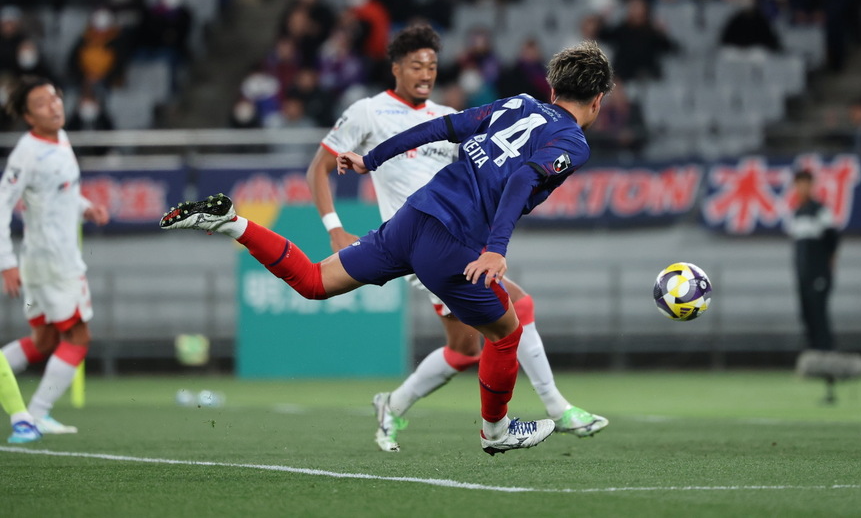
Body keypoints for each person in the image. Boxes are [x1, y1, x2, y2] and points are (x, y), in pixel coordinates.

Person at [161, 40, 615, 455]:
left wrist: (370, 159)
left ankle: (232, 222)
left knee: (314, 281)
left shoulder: (517, 103)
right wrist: (496, 249)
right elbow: (521, 179)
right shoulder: (572, 142)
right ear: (597, 100)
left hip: (411, 219)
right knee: (506, 332)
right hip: (453, 242)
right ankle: (496, 431)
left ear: (552, 88)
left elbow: (442, 127)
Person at [304, 24, 607, 452]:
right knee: (515, 311)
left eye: (432, 64)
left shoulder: (459, 111)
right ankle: (550, 411)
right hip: (424, 234)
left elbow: (464, 147)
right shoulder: (368, 112)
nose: (426, 72)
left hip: (451, 229)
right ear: (396, 68)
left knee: (465, 348)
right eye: (416, 64)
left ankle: (392, 404)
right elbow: (319, 167)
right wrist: (335, 225)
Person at [0, 76, 110, 435]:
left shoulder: (60, 138)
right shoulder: (26, 154)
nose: (54, 106)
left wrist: (85, 208)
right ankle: (38, 413)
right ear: (29, 117)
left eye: (55, 97)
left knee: (45, 341)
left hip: (44, 260)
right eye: (42, 103)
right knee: (78, 337)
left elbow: (59, 192)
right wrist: (6, 263)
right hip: (54, 262)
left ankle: (33, 410)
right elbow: (2, 205)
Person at [784, 170, 839, 352]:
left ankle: (826, 352)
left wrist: (827, 267)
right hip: (803, 275)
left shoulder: (820, 211)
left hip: (819, 273)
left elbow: (832, 240)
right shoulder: (796, 213)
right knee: (806, 313)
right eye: (799, 184)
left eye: (806, 184)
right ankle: (813, 351)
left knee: (818, 313)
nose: (802, 188)